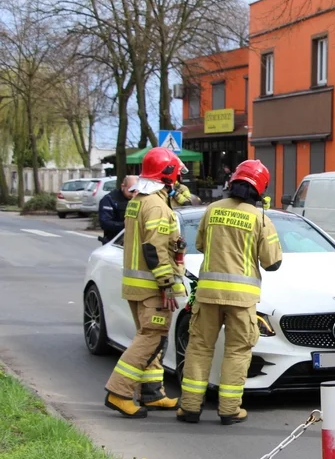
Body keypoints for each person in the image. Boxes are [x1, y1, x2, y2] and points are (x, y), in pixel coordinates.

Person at [177, 160, 283, 425]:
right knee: (237, 351)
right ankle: (229, 410)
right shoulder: (259, 218)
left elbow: (200, 244)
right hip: (242, 298)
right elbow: (273, 262)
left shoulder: (212, 210)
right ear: (261, 189)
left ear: (233, 181)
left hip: (208, 295)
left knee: (200, 348)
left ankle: (190, 407)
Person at [103, 147, 188, 418]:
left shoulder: (139, 199)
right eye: (176, 174)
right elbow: (155, 248)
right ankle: (119, 392)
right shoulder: (156, 206)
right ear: (168, 174)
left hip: (136, 286)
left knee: (151, 339)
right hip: (153, 288)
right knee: (149, 339)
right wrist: (166, 284)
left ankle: (152, 394)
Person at [98, 175, 138, 244]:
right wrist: (126, 225)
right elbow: (105, 223)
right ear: (123, 186)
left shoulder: (139, 199)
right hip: (114, 241)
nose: (133, 194)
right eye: (131, 191)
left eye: (137, 191)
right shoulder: (110, 199)